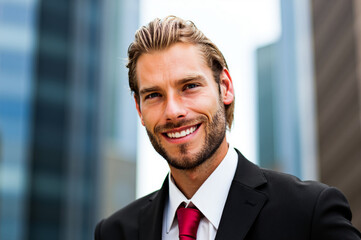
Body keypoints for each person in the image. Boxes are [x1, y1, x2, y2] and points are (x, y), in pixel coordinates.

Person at [94, 16, 361, 240]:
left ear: (225, 87)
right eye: (153, 95)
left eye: (189, 86)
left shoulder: (308, 213)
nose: (173, 111)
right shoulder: (114, 233)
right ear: (139, 109)